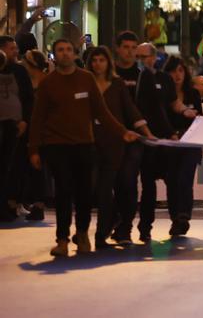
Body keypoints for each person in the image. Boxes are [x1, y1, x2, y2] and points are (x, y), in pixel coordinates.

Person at [27, 39, 139, 256]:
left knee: (84, 194)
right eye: (60, 50)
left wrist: (122, 131)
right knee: (63, 191)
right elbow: (37, 118)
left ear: (75, 53)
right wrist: (33, 149)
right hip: (56, 145)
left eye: (69, 49)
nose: (65, 53)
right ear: (54, 55)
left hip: (84, 145)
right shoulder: (48, 83)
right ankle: (61, 239)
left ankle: (82, 234)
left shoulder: (86, 79)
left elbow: (102, 112)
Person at [84, 46, 154, 248]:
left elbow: (130, 110)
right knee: (97, 189)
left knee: (121, 187)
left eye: (101, 60)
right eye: (94, 60)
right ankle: (110, 222)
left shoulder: (117, 84)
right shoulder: (86, 83)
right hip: (90, 142)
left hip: (116, 143)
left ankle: (107, 231)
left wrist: (147, 134)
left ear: (108, 62)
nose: (98, 64)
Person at [133, 41, 175, 241]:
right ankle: (143, 227)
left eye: (144, 56)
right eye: (138, 57)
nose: (141, 61)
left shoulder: (165, 78)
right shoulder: (137, 76)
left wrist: (183, 114)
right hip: (140, 139)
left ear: (154, 57)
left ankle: (177, 220)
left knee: (172, 180)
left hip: (162, 139)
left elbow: (169, 106)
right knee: (146, 186)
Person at [163, 55, 203, 236]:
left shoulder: (193, 94)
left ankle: (184, 216)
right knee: (171, 181)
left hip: (190, 143)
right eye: (173, 71)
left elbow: (200, 118)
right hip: (169, 143)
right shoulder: (163, 94)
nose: (177, 75)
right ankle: (175, 218)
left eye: (180, 70)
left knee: (185, 179)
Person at [1, 35, 40, 221]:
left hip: (16, 125)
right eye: (11, 49)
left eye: (16, 48)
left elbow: (27, 97)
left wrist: (25, 120)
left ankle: (10, 202)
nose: (16, 52)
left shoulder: (19, 71)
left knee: (13, 165)